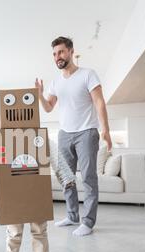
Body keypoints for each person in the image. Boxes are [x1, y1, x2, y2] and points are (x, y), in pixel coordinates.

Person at [36, 36, 113, 237]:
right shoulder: (56, 82)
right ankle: (72, 215)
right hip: (64, 134)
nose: (57, 57)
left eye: (61, 52)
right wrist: (39, 95)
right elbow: (49, 107)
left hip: (87, 132)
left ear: (71, 51)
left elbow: (99, 102)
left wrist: (105, 129)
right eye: (54, 54)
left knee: (88, 178)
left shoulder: (88, 74)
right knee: (66, 178)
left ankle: (88, 222)